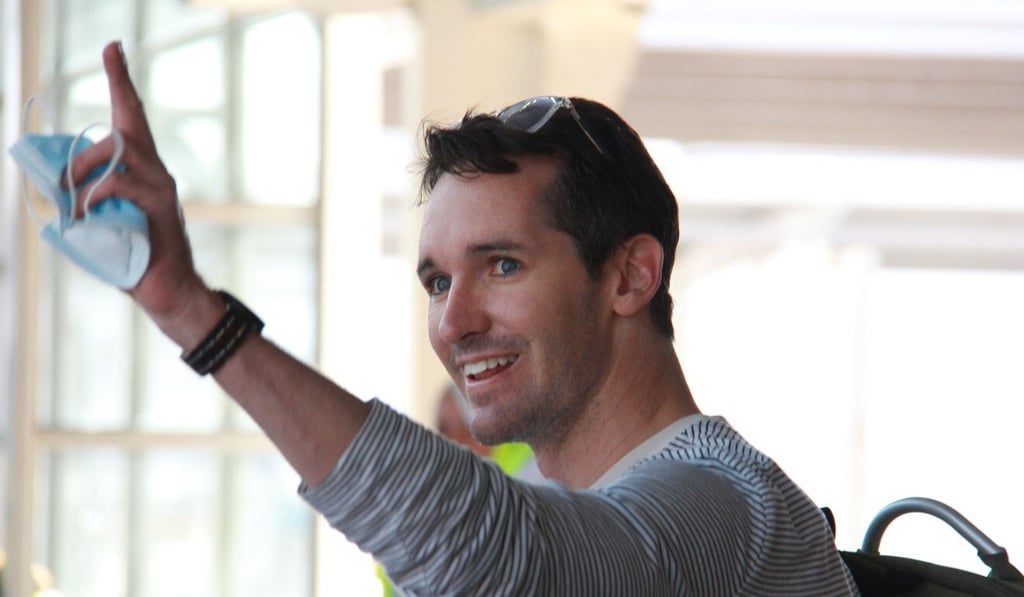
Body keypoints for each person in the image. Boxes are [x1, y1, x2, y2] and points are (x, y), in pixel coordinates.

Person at [69, 41, 859, 595]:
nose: (452, 323)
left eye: (502, 264)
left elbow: (505, 558)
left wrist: (194, 312)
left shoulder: (727, 509)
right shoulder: (575, 495)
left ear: (629, 276)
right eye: (438, 281)